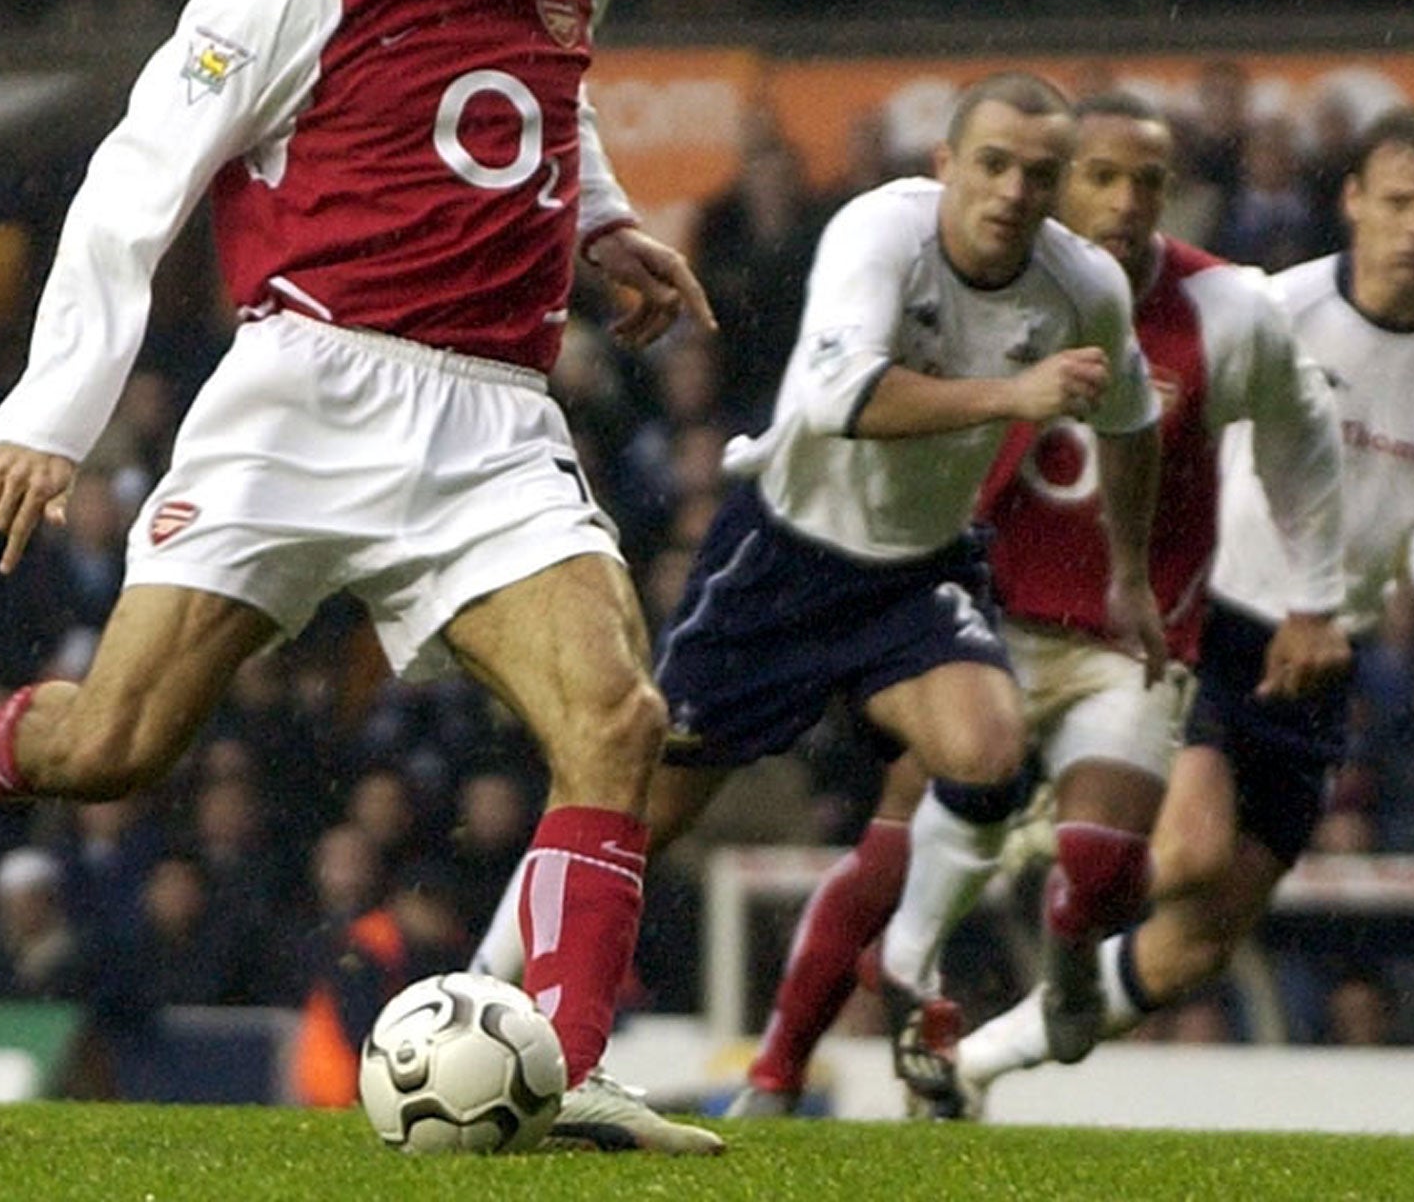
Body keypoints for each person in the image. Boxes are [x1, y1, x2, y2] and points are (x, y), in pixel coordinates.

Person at [0, 0, 721, 1154]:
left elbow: (544, 110)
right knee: (113, 749)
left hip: (494, 421)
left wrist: (605, 226)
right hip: (303, 402)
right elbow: (131, 191)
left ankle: (567, 1067)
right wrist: (53, 412)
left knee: (618, 723)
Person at [469, 71, 1164, 1104]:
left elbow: (1132, 422)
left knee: (986, 752)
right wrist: (1010, 393)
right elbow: (843, 396)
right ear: (944, 167)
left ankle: (908, 961)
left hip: (916, 570)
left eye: (1038, 173)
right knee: (636, 811)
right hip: (779, 562)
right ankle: (483, 990)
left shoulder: (1083, 290)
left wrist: (1131, 573)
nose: (1012, 190)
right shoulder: (877, 234)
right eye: (991, 164)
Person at [725, 91, 1345, 1116]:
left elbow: (1302, 445)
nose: (1123, 201)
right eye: (1096, 177)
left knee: (1100, 871)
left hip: (1122, 639)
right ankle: (775, 1072)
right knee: (889, 848)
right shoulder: (998, 280)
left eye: (1146, 181)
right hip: (987, 615)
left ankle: (1057, 976)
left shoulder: (1228, 311)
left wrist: (1314, 596)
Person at [952, 105, 1414, 1111]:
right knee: (1189, 853)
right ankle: (1057, 828)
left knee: (1198, 943)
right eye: (1396, 201)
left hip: (1320, 658)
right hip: (1220, 619)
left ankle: (980, 1059)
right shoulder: (1270, 308)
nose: (1412, 227)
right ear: (1351, 204)